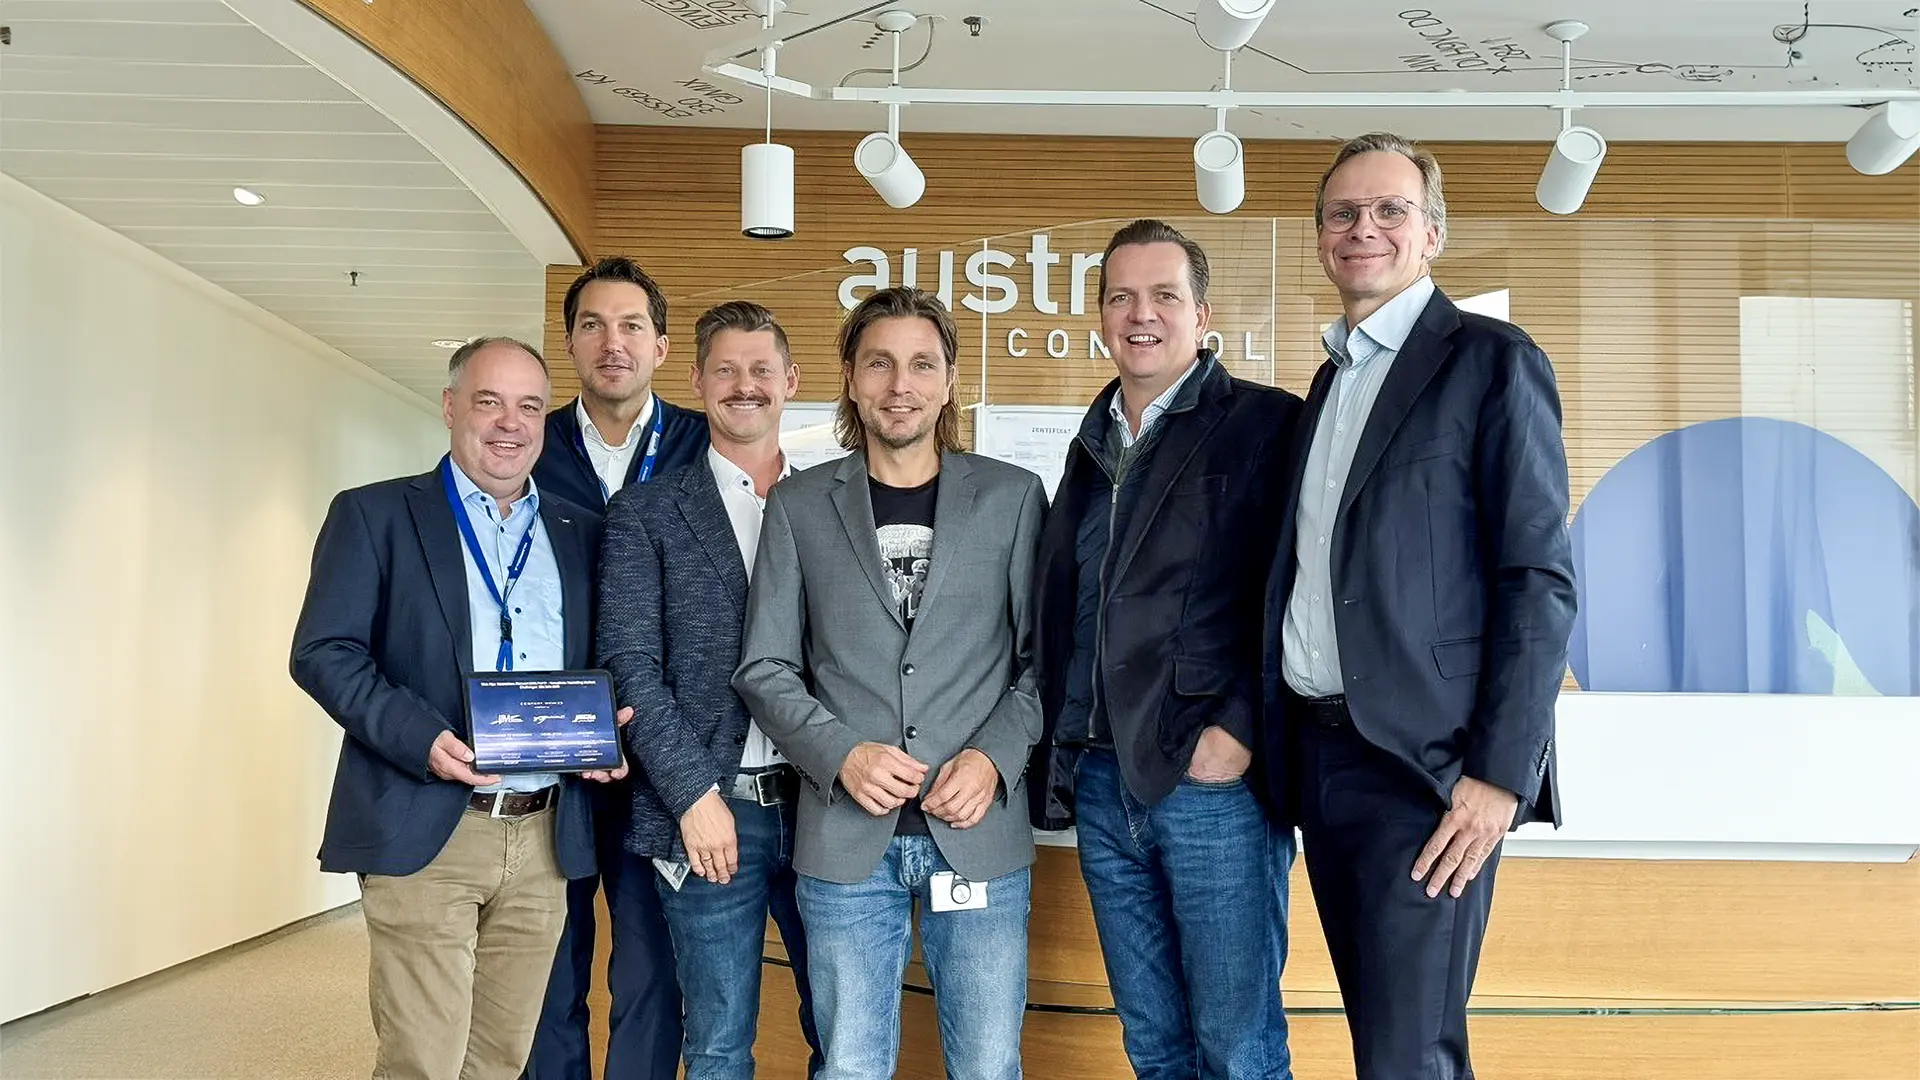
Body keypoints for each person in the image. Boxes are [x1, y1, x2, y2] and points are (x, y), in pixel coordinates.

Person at [1261, 132, 1578, 1080]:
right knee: (1381, 1038)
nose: (1365, 228)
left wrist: (1499, 775)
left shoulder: (1490, 360)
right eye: (1344, 213)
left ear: (1432, 234)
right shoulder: (1329, 382)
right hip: (1322, 761)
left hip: (1427, 774)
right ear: (1321, 237)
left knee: (1410, 1055)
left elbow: (1539, 578)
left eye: (1389, 210)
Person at [290, 337, 628, 1080]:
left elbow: (601, 660)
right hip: (427, 822)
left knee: (501, 1058)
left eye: (530, 407)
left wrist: (608, 730)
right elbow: (323, 652)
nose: (510, 423)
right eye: (488, 401)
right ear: (450, 407)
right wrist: (423, 737)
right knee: (425, 1058)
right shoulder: (374, 514)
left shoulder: (581, 532)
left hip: (544, 833)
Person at [733, 286, 1047, 1080]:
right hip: (845, 841)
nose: (898, 384)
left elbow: (1047, 661)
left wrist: (991, 760)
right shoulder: (800, 504)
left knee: (985, 1067)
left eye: (920, 364)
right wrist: (841, 754)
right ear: (849, 376)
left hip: (977, 836)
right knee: (850, 1067)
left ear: (948, 382)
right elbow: (764, 666)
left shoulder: (1013, 499)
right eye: (879, 363)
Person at [1027, 219, 1303, 1079]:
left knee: (1239, 1048)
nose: (1140, 314)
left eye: (1163, 296)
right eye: (1120, 297)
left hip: (1210, 784)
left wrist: (1241, 727)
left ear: (1202, 313)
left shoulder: (1263, 425)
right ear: (1101, 315)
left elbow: (1295, 591)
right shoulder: (1092, 440)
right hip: (1106, 782)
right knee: (1154, 1045)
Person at [596, 300, 824, 1079]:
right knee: (720, 1042)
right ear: (695, 380)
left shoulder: (838, 503)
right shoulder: (646, 514)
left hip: (828, 811)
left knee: (845, 1032)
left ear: (791, 381)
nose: (744, 386)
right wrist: (695, 796)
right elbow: (630, 668)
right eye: (724, 370)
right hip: (707, 815)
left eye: (762, 369)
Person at [527, 257, 707, 1080]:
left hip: (658, 748)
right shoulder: (527, 441)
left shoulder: (703, 445)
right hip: (552, 746)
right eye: (593, 325)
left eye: (632, 325)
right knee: (546, 963)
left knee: (649, 965)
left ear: (663, 345)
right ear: (569, 342)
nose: (613, 342)